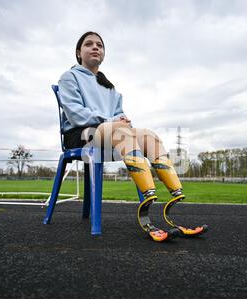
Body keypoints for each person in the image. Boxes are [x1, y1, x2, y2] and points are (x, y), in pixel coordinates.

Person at [58, 31, 207, 242]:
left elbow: (120, 116)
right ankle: (147, 202)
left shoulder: (110, 87)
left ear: (103, 53)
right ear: (78, 53)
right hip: (80, 132)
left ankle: (175, 198)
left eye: (99, 45)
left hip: (111, 132)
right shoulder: (69, 77)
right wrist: (111, 122)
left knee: (148, 136)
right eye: (89, 44)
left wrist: (121, 121)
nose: (95, 47)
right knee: (120, 130)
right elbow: (75, 113)